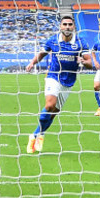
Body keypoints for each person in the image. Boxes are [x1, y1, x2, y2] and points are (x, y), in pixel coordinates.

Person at [25, 16, 92, 153]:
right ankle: (35, 137)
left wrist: (83, 61)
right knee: (49, 105)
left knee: (54, 112)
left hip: (69, 81)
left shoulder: (81, 42)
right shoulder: (53, 40)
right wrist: (32, 62)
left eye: (70, 24)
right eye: (65, 24)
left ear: (74, 27)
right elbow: (42, 54)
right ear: (60, 26)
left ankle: (38, 134)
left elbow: (90, 64)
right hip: (53, 76)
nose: (67, 27)